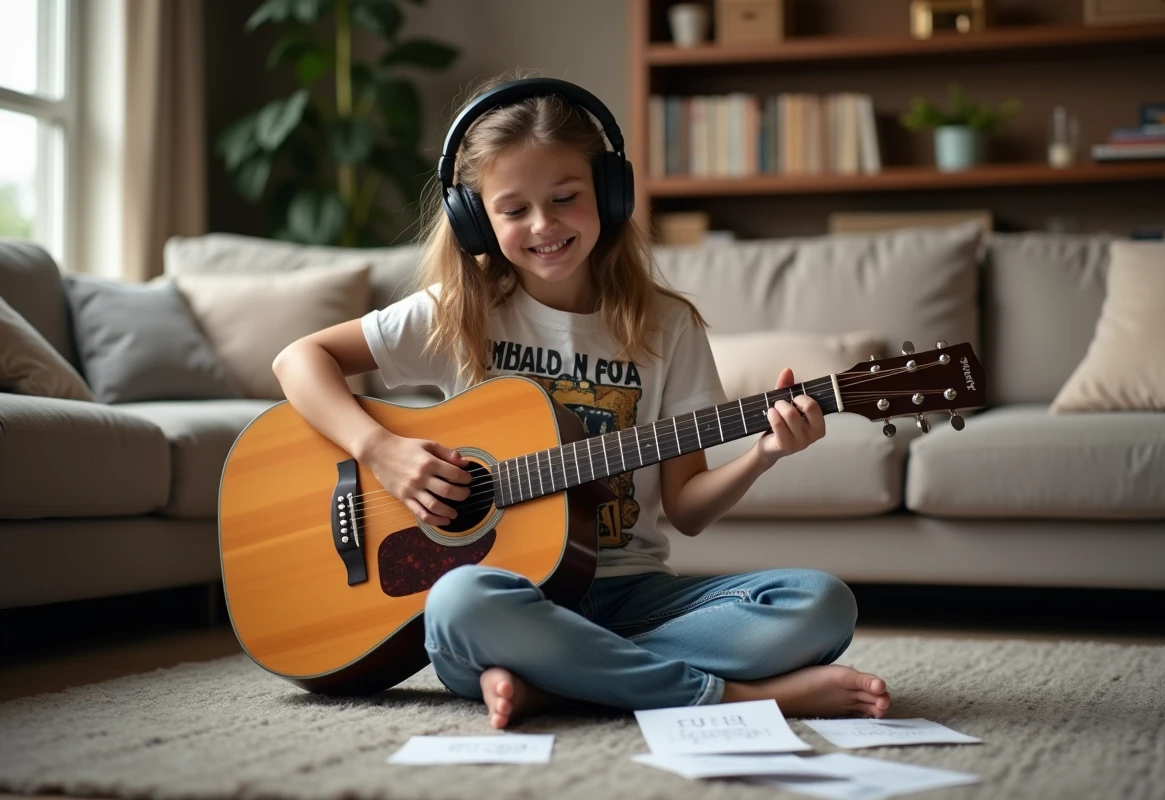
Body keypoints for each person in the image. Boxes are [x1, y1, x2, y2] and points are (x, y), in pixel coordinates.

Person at [272, 71, 891, 729]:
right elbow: (298, 359)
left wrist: (765, 452)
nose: (544, 225)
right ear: (477, 220)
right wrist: (382, 450)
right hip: (504, 596)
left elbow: (686, 510)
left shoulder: (667, 327)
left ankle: (557, 681)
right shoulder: (463, 312)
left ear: (610, 192)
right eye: (513, 210)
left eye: (566, 197)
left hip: (633, 595)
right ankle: (734, 697)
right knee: (457, 604)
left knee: (821, 604)